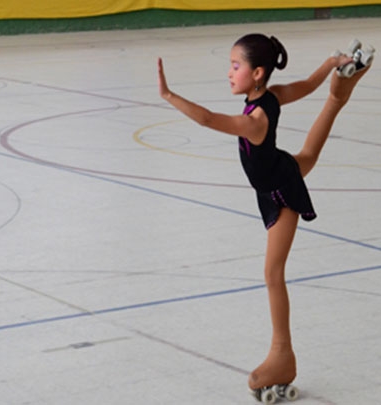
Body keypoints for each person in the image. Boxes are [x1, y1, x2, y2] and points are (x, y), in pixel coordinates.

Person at [157, 33, 369, 392]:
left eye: (235, 66)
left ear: (257, 73)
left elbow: (207, 119)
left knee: (272, 273)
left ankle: (282, 355)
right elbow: (304, 85)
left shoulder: (254, 121)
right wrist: (331, 64)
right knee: (307, 157)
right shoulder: (271, 96)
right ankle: (339, 92)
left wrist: (168, 95)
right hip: (276, 172)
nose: (228, 73)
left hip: (281, 192)